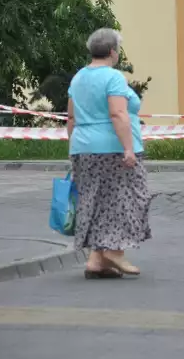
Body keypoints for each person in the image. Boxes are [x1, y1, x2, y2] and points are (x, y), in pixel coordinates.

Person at [67, 28, 151, 279]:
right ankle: (114, 250)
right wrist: (127, 148)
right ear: (113, 52)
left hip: (83, 147)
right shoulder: (114, 78)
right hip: (112, 148)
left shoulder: (78, 77)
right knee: (132, 197)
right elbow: (118, 113)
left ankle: (96, 260)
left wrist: (75, 148)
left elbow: (71, 117)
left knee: (94, 200)